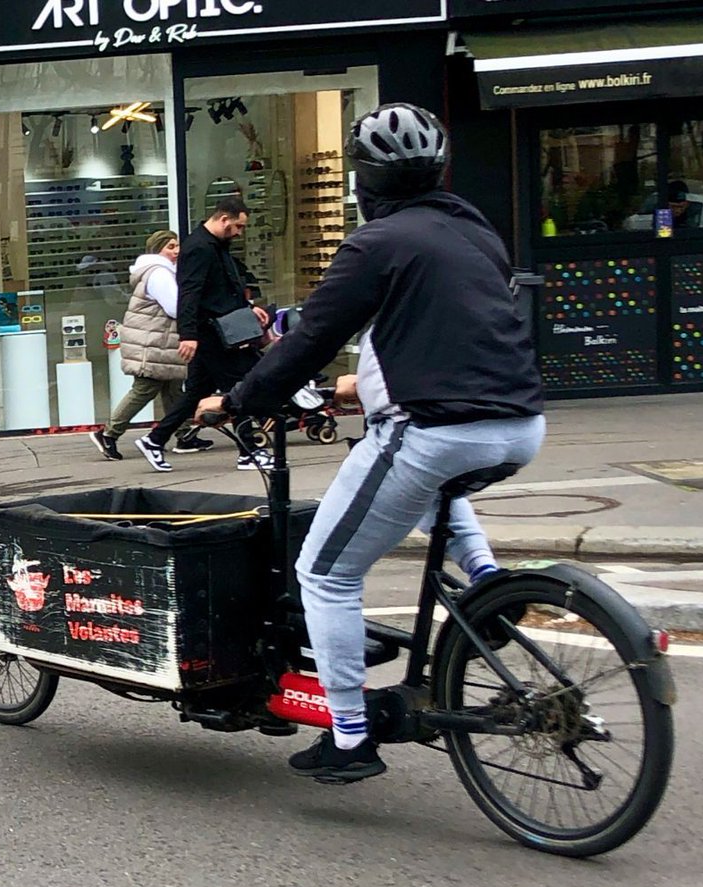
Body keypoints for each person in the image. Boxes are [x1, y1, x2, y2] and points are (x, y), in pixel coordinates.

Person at [196, 103, 546, 783]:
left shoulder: (375, 243)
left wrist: (236, 402)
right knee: (419, 483)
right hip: (521, 423)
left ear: (365, 183)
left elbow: (309, 341)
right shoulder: (472, 229)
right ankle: (488, 584)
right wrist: (363, 385)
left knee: (325, 573)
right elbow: (441, 328)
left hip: (435, 429)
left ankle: (351, 737)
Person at [133, 197, 271, 473]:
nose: (239, 232)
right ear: (224, 219)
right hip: (212, 333)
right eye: (238, 226)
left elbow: (225, 288)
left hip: (216, 329)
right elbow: (189, 294)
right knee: (238, 386)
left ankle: (154, 440)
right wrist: (188, 335)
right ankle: (249, 451)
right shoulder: (199, 248)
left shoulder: (214, 245)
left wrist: (248, 308)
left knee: (196, 391)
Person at [89, 230, 213, 460]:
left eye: (177, 246)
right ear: (157, 250)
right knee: (145, 388)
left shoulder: (158, 272)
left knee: (173, 388)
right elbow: (175, 308)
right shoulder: (159, 273)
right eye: (170, 247)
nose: (176, 251)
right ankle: (108, 434)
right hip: (153, 343)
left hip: (158, 342)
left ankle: (184, 434)